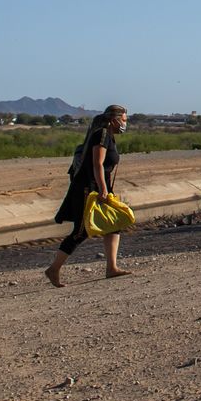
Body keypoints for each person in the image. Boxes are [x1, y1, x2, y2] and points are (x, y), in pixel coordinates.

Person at [46, 104, 133, 285]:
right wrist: (101, 188)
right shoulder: (101, 134)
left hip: (100, 186)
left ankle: (112, 268)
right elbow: (97, 164)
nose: (125, 123)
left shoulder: (107, 135)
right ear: (114, 119)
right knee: (81, 230)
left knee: (113, 222)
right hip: (89, 188)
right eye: (123, 120)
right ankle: (53, 269)